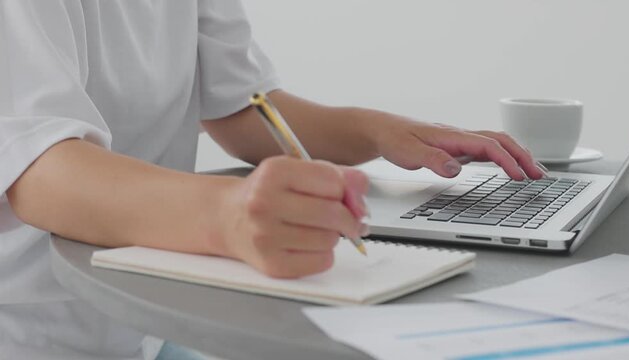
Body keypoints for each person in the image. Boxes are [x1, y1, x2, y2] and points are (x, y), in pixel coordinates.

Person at [0, 1, 546, 359]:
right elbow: (38, 169)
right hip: (36, 328)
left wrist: (383, 132)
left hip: (147, 314)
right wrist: (226, 215)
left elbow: (240, 107)